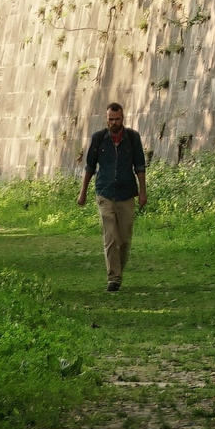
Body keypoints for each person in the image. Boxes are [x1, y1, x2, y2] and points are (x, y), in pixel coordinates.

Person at [77, 102, 148, 292]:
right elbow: (90, 168)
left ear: (122, 118)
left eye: (117, 119)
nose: (114, 122)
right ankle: (113, 279)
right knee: (111, 237)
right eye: (110, 119)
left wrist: (142, 191)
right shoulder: (98, 139)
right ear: (106, 118)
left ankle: (118, 272)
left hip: (126, 194)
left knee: (124, 240)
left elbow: (140, 167)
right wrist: (82, 192)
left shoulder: (133, 138)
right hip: (105, 193)